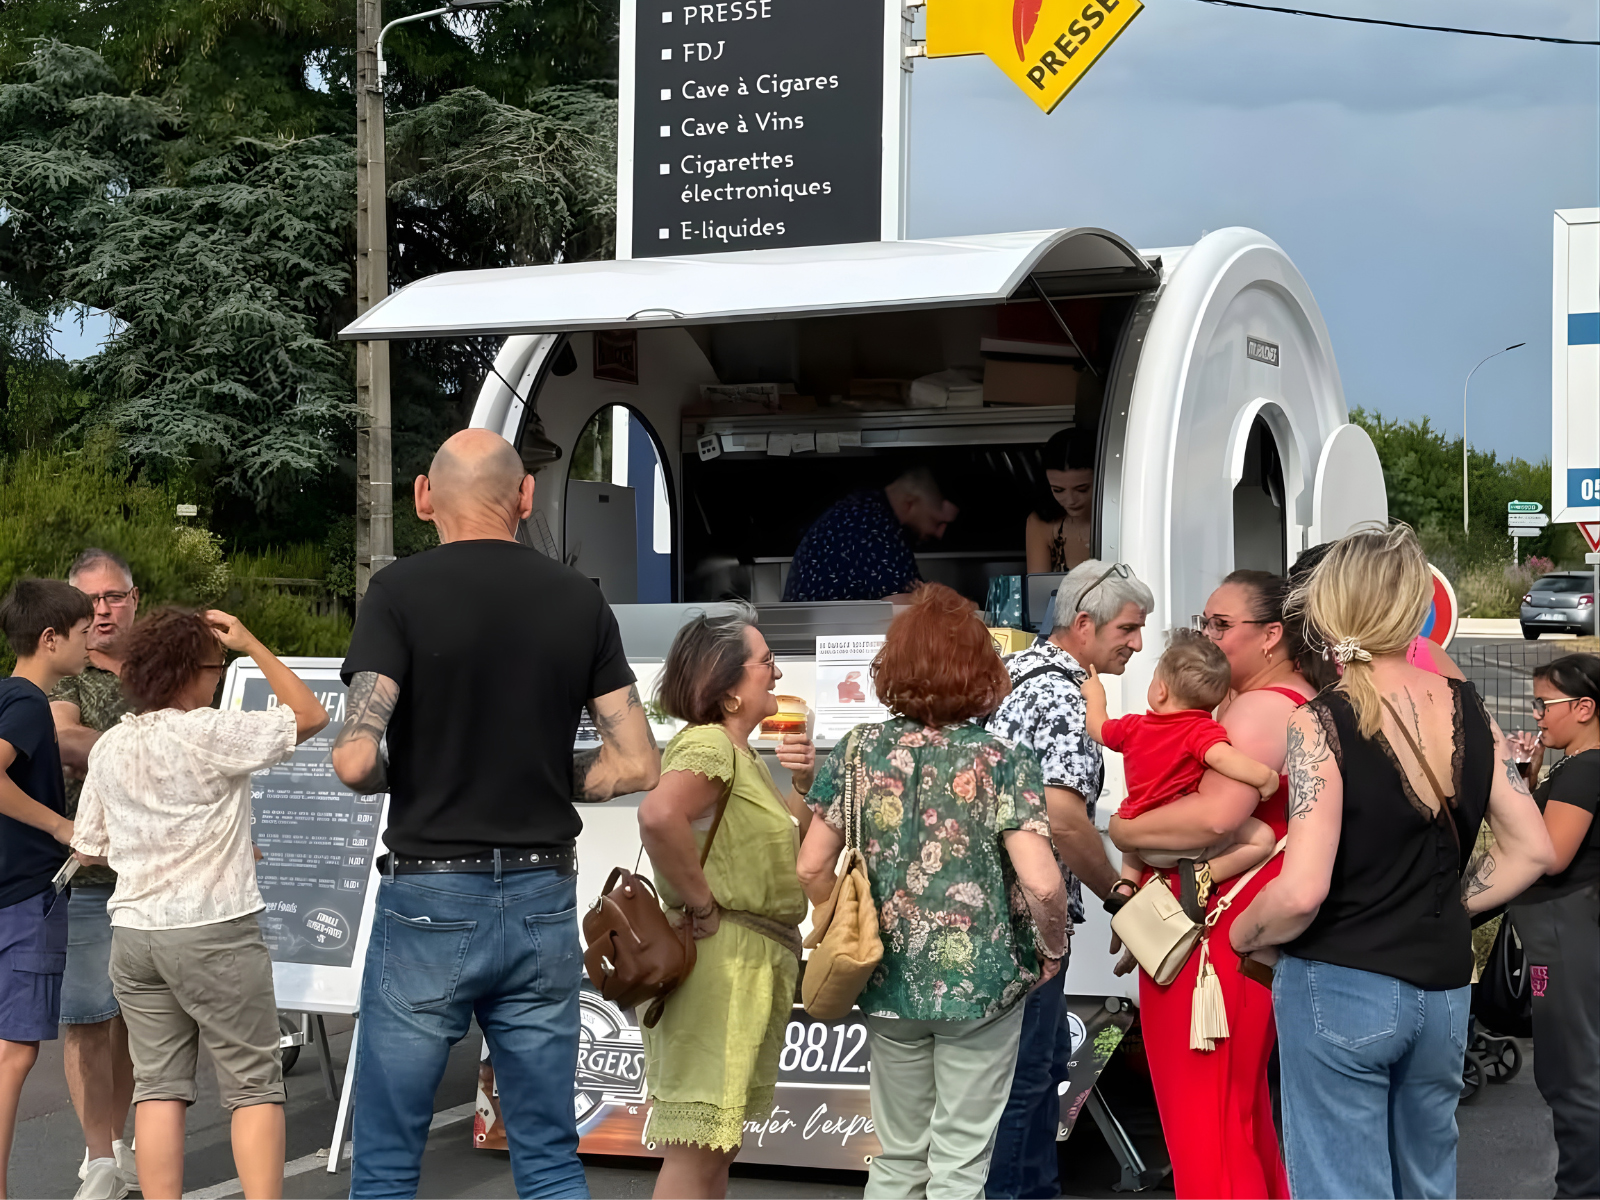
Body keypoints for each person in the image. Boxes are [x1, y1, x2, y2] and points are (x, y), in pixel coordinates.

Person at [330, 429, 660, 1199]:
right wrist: (541, 771)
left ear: (422, 498)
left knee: (387, 1160)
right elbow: (638, 762)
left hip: (430, 900)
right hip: (544, 897)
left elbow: (354, 759)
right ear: (525, 497)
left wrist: (416, 767)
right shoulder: (580, 599)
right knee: (546, 1154)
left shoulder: (398, 593)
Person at [1231, 525, 1555, 1200]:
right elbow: (1533, 848)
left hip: (1341, 982)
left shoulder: (1322, 720)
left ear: (1329, 607)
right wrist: (1447, 905)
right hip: (1441, 991)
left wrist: (1244, 930)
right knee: (1426, 1182)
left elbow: (1301, 892)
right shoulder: (1466, 706)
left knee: (1342, 1185)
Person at [796, 584, 1065, 1199]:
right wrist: (1051, 946)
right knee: (960, 1161)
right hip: (982, 986)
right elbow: (1043, 882)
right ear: (981, 672)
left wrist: (836, 919)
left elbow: (812, 867)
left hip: (886, 979)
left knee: (897, 1156)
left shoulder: (858, 750)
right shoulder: (1004, 759)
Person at [71, 608, 326, 1200]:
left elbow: (89, 848)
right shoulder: (209, 731)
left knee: (158, 1088)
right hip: (215, 929)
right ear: (187, 673)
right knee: (253, 1085)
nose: (216, 679)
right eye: (214, 668)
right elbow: (309, 716)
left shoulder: (111, 745)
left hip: (134, 933)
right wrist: (253, 641)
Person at [1108, 568, 1309, 1198]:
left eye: (1222, 625)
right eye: (1206, 623)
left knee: (1204, 1121)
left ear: (1272, 635)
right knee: (1239, 1116)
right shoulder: (1297, 702)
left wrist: (1123, 829)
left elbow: (1215, 815)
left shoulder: (1255, 711)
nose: (1208, 638)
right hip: (1239, 925)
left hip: (1209, 937)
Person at [636, 604, 817, 1199]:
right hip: (720, 965)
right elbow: (659, 814)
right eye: (766, 663)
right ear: (729, 685)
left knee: (717, 1147)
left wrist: (805, 787)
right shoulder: (712, 745)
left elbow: (781, 850)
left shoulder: (738, 754)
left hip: (744, 965)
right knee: (697, 1152)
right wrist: (703, 906)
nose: (778, 674)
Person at [983, 559, 1150, 1200]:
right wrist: (1117, 892)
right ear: (1084, 623)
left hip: (992, 911)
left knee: (1029, 1070)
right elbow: (1064, 818)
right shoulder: (1060, 695)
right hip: (1030, 919)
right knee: (1026, 1081)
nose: (1137, 643)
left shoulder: (1014, 671)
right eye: (1129, 629)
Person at [50, 550, 140, 1197]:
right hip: (83, 876)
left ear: (134, 600)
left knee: (138, 1016)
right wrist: (152, 752)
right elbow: (64, 739)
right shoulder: (64, 676)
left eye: (114, 597)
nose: (103, 610)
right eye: (91, 602)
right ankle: (98, 1155)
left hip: (156, 873)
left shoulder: (160, 670)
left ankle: (122, 1141)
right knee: (85, 1017)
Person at [0, 580, 91, 1200]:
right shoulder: (30, 702)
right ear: (49, 638)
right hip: (24, 899)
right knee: (13, 1055)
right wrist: (61, 824)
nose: (91, 642)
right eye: (82, 633)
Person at [1086, 631, 1279, 910]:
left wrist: (1096, 696)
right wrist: (1265, 777)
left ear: (1160, 691)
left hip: (1139, 843)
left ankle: (1127, 884)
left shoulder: (1131, 727)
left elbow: (1097, 727)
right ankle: (1205, 873)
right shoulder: (1200, 730)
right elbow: (1224, 758)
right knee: (1262, 839)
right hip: (1184, 843)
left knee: (1133, 808)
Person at [1507, 654, 1600, 1200]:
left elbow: (1550, 853)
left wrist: (1508, 790)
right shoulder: (1575, 765)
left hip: (1563, 939)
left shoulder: (1587, 767)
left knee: (1572, 1073)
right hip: (1566, 933)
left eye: (1546, 704)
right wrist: (1531, 778)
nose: (1538, 716)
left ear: (1584, 708)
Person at [782, 468, 959, 602]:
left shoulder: (865, 508)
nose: (940, 533)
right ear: (910, 504)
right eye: (937, 522)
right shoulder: (877, 527)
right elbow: (905, 605)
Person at [1025, 430, 1094, 575]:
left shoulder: (1123, 517)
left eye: (1082, 489)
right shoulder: (1041, 523)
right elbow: (1039, 588)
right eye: (1058, 490)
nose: (1071, 500)